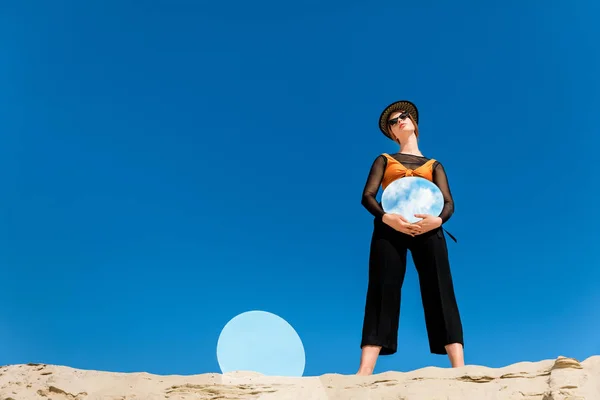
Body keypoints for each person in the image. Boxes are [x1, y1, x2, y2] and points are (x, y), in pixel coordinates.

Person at [357, 100, 465, 376]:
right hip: (390, 226)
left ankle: (459, 368)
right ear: (393, 133)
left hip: (428, 227)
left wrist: (437, 221)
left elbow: (449, 202)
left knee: (440, 288)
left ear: (414, 123)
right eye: (394, 122)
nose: (399, 121)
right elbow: (367, 196)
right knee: (382, 289)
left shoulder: (433, 164)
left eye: (403, 116)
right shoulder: (384, 159)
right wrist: (386, 217)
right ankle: (364, 371)